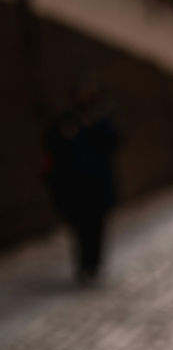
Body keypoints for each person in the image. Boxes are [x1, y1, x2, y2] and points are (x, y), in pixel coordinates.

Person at [43, 84, 120, 284]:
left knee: (97, 227)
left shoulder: (100, 121)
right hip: (74, 187)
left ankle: (93, 263)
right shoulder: (65, 122)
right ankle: (84, 264)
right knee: (80, 228)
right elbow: (52, 146)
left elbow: (115, 141)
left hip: (98, 186)